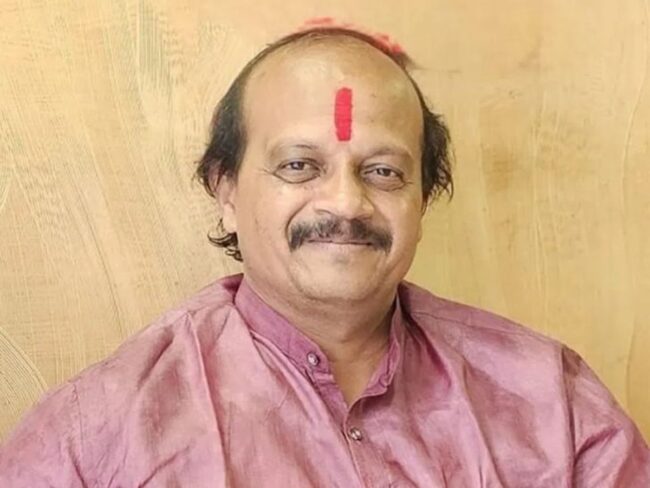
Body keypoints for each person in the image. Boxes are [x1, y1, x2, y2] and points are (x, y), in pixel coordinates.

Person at [1, 25, 648, 487]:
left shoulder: (550, 400)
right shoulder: (96, 436)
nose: (346, 201)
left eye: (383, 171)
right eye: (299, 165)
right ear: (226, 191)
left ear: (423, 198)